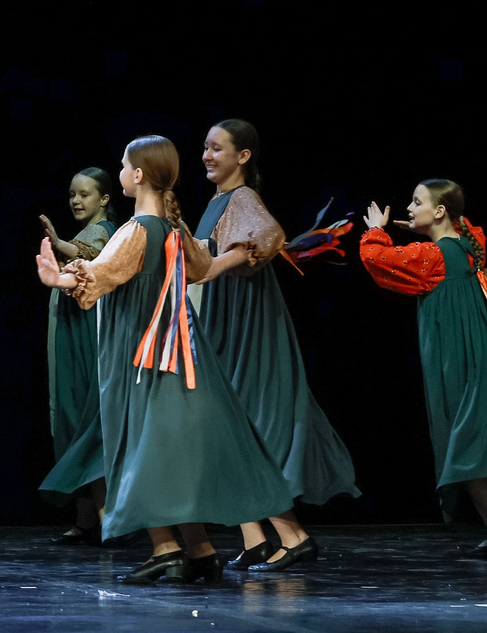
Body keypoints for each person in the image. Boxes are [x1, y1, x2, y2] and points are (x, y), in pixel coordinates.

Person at [34, 136, 294, 584]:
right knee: (160, 447)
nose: (120, 172)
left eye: (123, 166)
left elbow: (101, 274)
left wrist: (60, 280)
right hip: (174, 350)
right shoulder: (174, 230)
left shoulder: (135, 231)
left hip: (138, 351)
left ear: (138, 175)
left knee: (138, 445)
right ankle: (200, 549)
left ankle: (166, 548)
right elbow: (202, 268)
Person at [191, 120, 358, 571]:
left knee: (243, 423)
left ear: (243, 156)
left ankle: (293, 535)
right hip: (224, 314)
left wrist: (216, 266)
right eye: (205, 147)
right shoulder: (218, 200)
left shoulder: (243, 197)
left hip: (245, 319)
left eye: (217, 148)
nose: (207, 155)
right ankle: (255, 538)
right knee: (225, 425)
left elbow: (267, 236)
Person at [358, 179, 487, 555]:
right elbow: (467, 227)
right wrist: (427, 227)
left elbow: (378, 260)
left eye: (417, 202)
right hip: (469, 351)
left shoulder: (434, 255)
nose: (409, 208)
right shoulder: (468, 243)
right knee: (468, 447)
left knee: (465, 447)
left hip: (458, 358)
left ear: (441, 211)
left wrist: (376, 230)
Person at [36, 169, 116, 543]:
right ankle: (86, 519)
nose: (76, 200)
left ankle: (107, 518)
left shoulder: (106, 231)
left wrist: (59, 243)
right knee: (70, 418)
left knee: (86, 419)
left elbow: (90, 253)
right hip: (70, 334)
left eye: (85, 194)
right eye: (72, 194)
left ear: (104, 199)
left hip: (86, 337)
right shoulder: (87, 231)